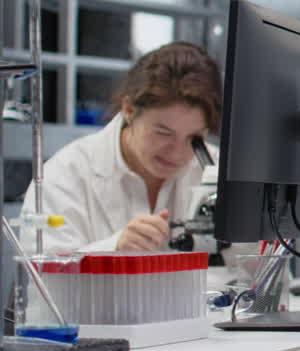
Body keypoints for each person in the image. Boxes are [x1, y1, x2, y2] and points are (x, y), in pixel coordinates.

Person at [21, 42, 221, 254]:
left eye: (195, 139)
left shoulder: (215, 169)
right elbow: (43, 273)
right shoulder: (65, 175)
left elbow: (246, 266)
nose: (177, 153)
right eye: (163, 133)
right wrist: (113, 250)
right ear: (129, 109)